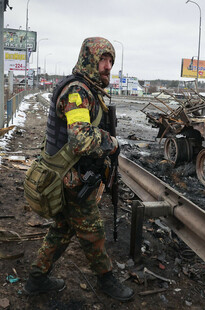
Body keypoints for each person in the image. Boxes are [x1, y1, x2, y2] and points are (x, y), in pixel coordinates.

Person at [23, 37, 134, 301]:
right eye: (103, 60)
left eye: (111, 61)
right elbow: (81, 138)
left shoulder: (88, 89)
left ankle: (35, 280)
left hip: (69, 175)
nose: (108, 66)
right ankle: (107, 280)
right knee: (92, 230)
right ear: (89, 60)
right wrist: (113, 143)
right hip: (68, 178)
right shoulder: (77, 92)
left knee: (62, 228)